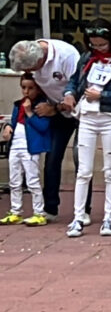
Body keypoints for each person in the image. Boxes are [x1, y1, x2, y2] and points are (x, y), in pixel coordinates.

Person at [59, 18, 111, 238]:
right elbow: (74, 81)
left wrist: (102, 95)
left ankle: (109, 218)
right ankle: (78, 217)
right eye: (94, 44)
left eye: (102, 44)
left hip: (109, 117)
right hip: (87, 117)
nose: (98, 48)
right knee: (83, 170)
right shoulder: (86, 58)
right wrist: (69, 94)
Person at [7, 38, 82, 221]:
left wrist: (55, 107)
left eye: (30, 70)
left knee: (80, 160)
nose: (29, 73)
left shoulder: (66, 55)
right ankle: (50, 208)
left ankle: (83, 210)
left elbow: (79, 87)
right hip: (55, 110)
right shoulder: (30, 53)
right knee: (52, 158)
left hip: (80, 109)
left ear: (40, 61)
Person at [1, 74, 51, 226]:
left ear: (38, 89)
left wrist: (29, 112)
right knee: (14, 181)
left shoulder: (42, 106)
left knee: (32, 180)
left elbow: (43, 127)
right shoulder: (18, 105)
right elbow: (14, 122)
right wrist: (8, 127)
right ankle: (15, 211)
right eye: (23, 88)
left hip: (30, 147)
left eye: (31, 88)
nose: (26, 91)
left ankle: (39, 213)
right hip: (15, 145)